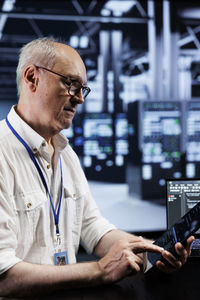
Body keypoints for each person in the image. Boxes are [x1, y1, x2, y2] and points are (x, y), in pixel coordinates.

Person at [0, 37, 194, 298]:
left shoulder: (67, 155)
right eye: (70, 84)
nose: (79, 99)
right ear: (32, 77)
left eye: (83, 89)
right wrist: (101, 270)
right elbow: (4, 277)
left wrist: (153, 250)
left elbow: (94, 229)